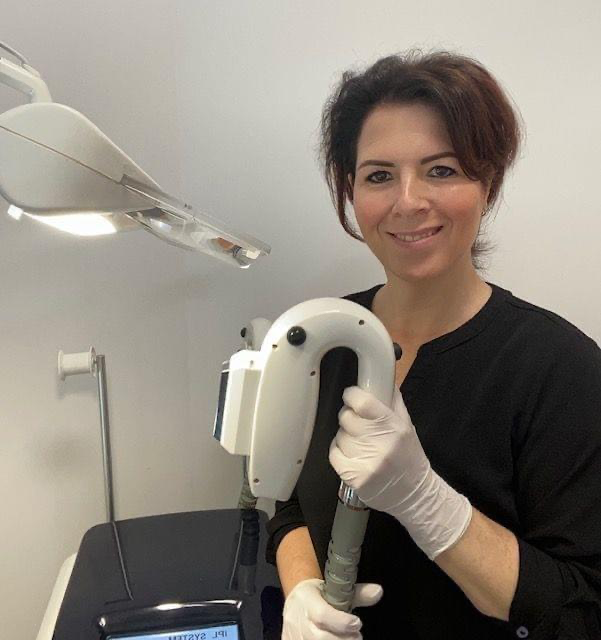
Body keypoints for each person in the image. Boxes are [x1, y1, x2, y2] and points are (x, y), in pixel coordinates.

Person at [265, 50, 601, 639]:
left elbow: (580, 609)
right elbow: (285, 501)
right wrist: (301, 592)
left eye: (441, 170)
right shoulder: (319, 340)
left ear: (487, 184)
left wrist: (426, 502)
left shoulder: (562, 370)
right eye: (379, 175)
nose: (408, 201)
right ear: (351, 192)